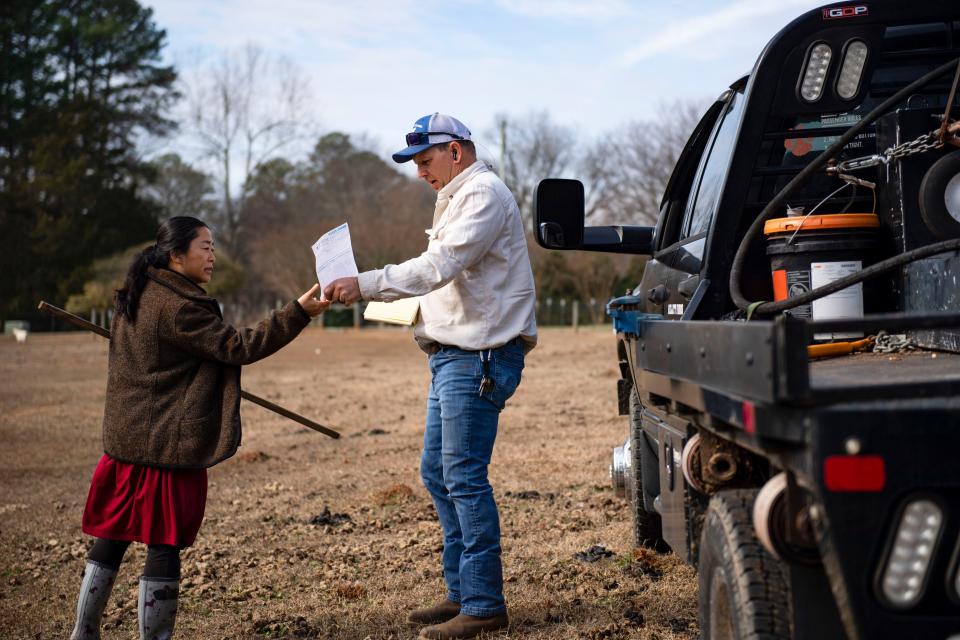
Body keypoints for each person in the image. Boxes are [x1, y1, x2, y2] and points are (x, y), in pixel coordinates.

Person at [324, 113, 537, 640]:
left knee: (463, 476)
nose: (420, 173)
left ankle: (485, 604)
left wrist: (367, 284)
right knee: (438, 474)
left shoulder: (482, 194)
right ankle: (463, 594)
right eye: (416, 164)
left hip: (479, 359)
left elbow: (438, 266)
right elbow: (442, 276)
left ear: (456, 152)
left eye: (425, 161)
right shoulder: (455, 199)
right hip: (452, 357)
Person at [68, 216, 329, 640]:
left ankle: (84, 632)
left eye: (212, 246)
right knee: (163, 542)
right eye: (203, 247)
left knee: (113, 534)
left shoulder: (139, 292)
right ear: (176, 254)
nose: (211, 255)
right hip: (164, 446)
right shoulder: (180, 306)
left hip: (129, 440)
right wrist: (298, 312)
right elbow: (238, 346)